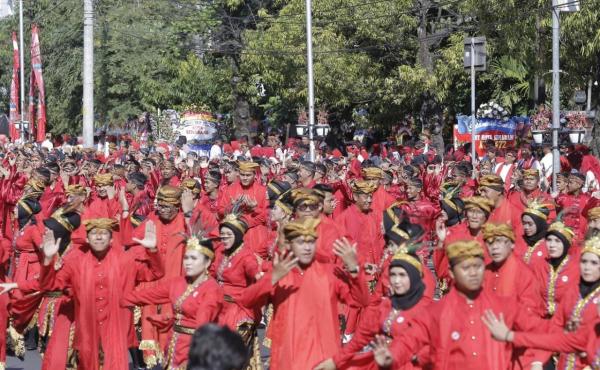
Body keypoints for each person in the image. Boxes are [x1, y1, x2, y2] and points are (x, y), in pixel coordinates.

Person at [371, 240, 548, 370]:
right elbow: (408, 341)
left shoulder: (505, 306)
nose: (473, 273)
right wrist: (391, 358)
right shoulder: (436, 312)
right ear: (451, 273)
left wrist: (537, 362)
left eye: (478, 266)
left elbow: (542, 331)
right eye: (465, 268)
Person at [238, 217, 370, 370]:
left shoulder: (328, 272)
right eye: (301, 243)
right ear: (290, 245)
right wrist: (272, 278)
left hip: (323, 360)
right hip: (288, 360)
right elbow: (246, 301)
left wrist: (354, 270)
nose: (307, 248)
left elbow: (362, 301)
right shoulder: (280, 273)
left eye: (311, 242)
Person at [34, 218, 163, 370]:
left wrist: (153, 251)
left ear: (111, 239)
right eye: (94, 233)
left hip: (116, 326)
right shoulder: (74, 261)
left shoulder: (126, 260)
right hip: (87, 326)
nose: (99, 237)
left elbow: (156, 273)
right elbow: (49, 285)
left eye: (104, 233)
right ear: (87, 239)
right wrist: (48, 259)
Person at [482, 235, 600, 370]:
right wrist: (538, 360)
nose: (587, 267)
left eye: (594, 263)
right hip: (566, 362)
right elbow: (555, 329)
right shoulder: (574, 292)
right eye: (584, 261)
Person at [317, 248, 432, 370]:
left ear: (414, 277)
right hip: (382, 362)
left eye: (402, 275)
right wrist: (336, 360)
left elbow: (432, 348)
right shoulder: (386, 306)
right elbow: (361, 337)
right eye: (393, 274)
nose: (396, 281)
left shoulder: (426, 310)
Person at [122, 233, 223, 369]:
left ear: (207, 262)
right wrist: (115, 298)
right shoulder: (178, 283)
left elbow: (203, 325)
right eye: (186, 257)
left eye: (194, 258)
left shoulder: (211, 289)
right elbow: (146, 295)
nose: (188, 262)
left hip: (196, 349)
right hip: (174, 346)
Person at [531, 221, 580, 318]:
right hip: (540, 319)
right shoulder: (539, 266)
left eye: (557, 241)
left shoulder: (576, 269)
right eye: (549, 240)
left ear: (566, 243)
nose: (552, 245)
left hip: (565, 321)